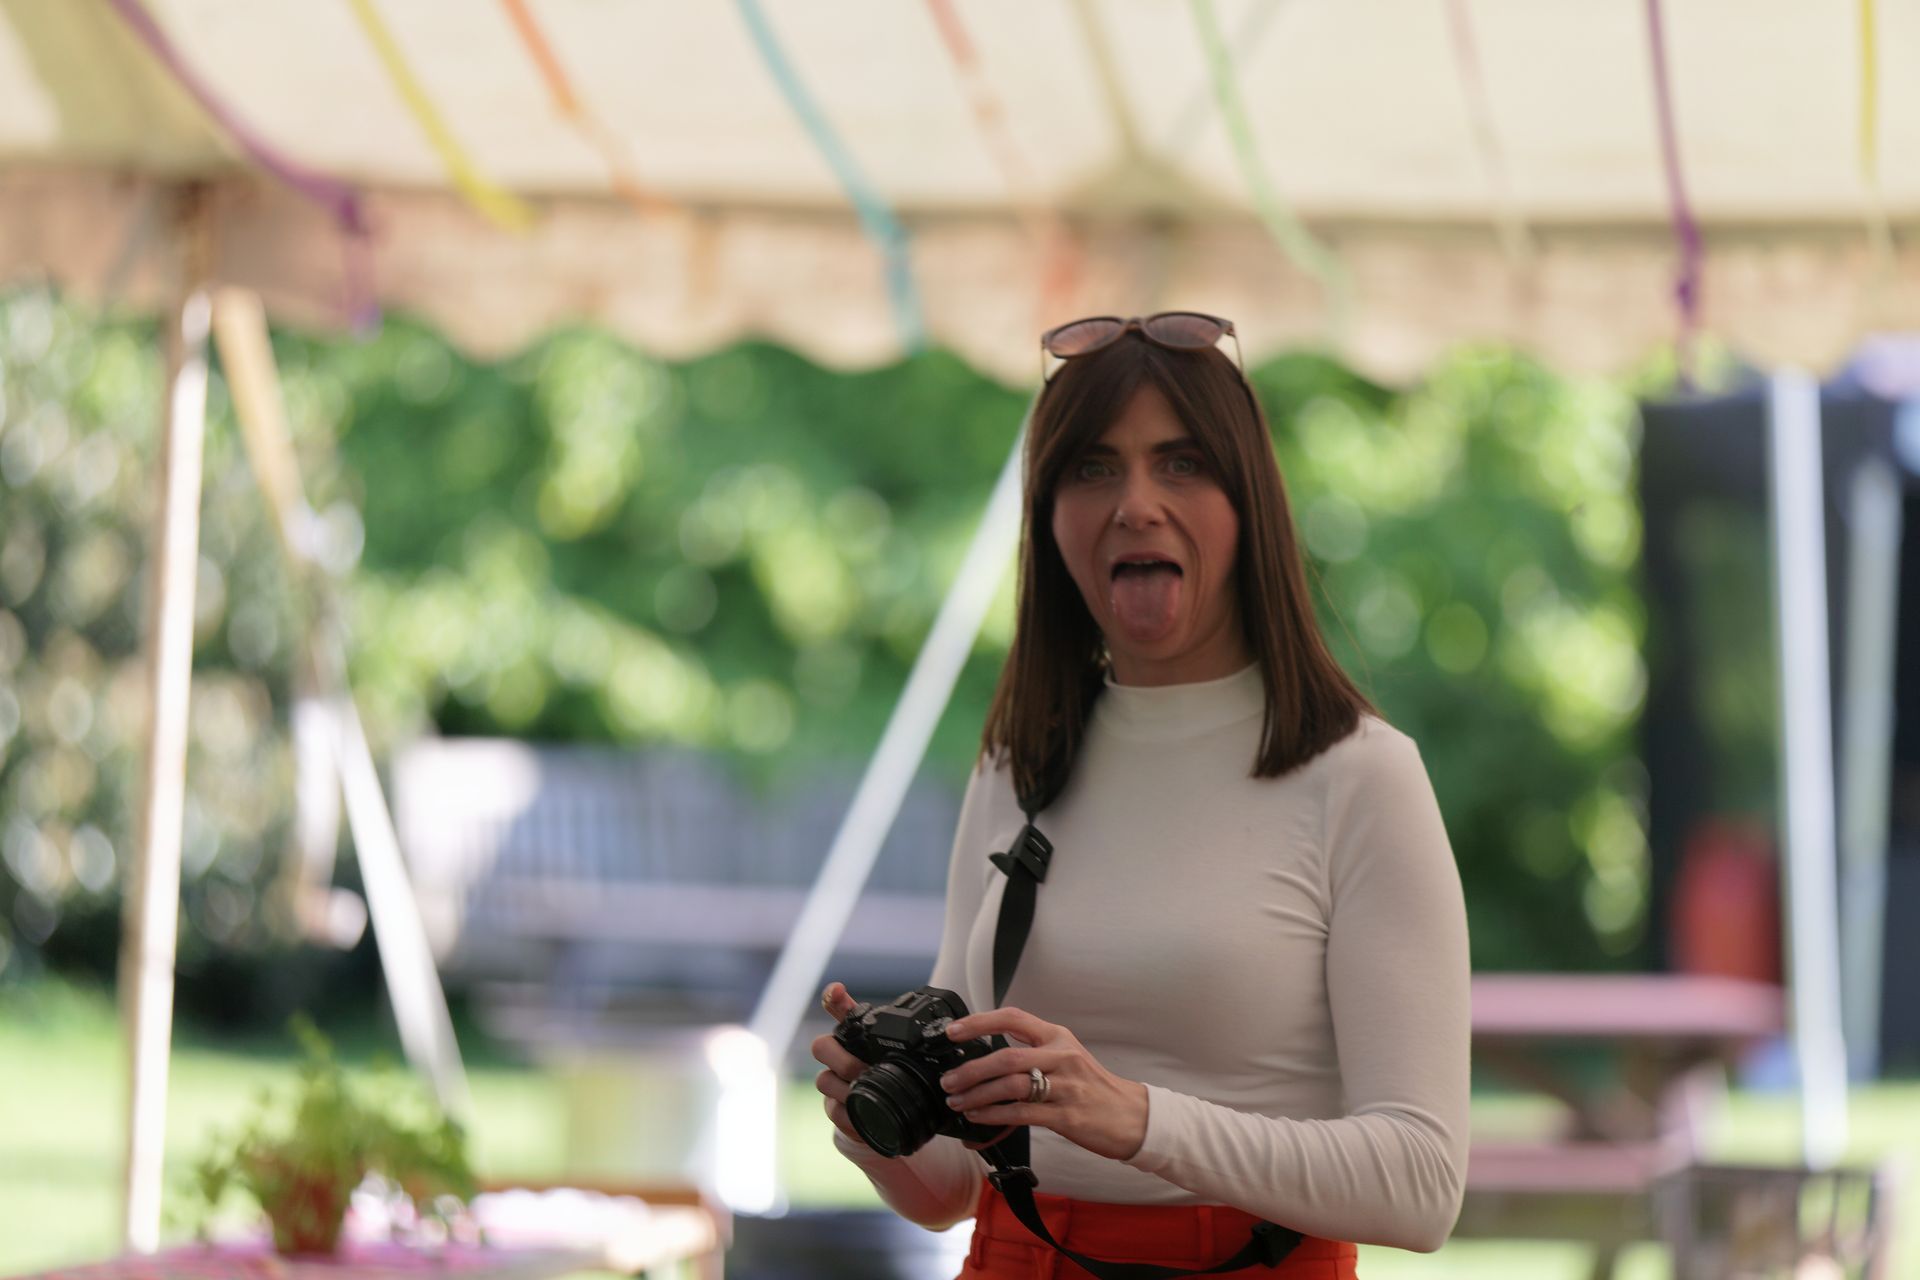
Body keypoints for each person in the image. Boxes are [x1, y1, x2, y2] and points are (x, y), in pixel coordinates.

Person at [812, 312, 1470, 1278]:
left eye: (1181, 464)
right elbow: (953, 1188)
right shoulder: (1016, 766)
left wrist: (1132, 1117)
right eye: (1091, 468)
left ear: (1249, 505)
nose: (1134, 504)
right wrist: (876, 1121)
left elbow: (1421, 1183)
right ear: (1049, 519)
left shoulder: (1361, 775)